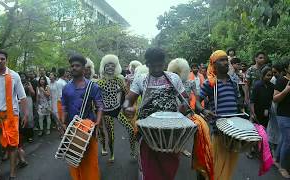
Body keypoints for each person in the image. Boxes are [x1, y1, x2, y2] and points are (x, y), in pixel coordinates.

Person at [123, 48, 188, 180]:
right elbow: (128, 100)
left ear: (164, 63)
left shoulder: (174, 78)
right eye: (153, 65)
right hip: (147, 133)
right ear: (147, 64)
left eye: (160, 65)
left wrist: (183, 106)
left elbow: (184, 99)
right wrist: (126, 108)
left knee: (168, 168)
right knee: (149, 169)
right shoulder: (140, 79)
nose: (157, 69)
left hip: (170, 132)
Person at [196, 50, 240, 180]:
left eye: (226, 60)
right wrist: (204, 111)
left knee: (229, 164)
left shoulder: (233, 82)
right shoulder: (210, 83)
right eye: (221, 60)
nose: (226, 62)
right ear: (214, 64)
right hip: (218, 131)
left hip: (233, 131)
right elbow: (197, 102)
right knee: (215, 165)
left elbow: (238, 102)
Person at [0, 50, 28, 179]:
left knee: (13, 145)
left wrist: (25, 114)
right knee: (0, 147)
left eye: (2, 59)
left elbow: (22, 97)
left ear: (6, 60)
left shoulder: (15, 76)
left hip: (12, 116)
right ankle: (0, 171)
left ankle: (12, 173)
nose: (0, 61)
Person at [61, 53, 103, 180]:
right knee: (74, 158)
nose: (74, 68)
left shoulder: (93, 86)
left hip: (88, 128)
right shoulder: (66, 87)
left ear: (84, 69)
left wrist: (98, 122)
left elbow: (100, 106)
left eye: (77, 66)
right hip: (72, 128)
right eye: (72, 66)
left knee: (90, 159)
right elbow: (64, 107)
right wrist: (63, 123)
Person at [97, 54, 137, 162]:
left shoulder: (118, 80)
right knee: (111, 136)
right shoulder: (99, 83)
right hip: (106, 113)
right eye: (108, 65)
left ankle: (133, 151)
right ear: (103, 67)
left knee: (131, 129)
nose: (110, 67)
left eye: (112, 65)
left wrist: (130, 105)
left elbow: (127, 93)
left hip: (117, 110)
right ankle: (112, 154)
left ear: (116, 67)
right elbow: (96, 100)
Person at [273, 60, 290, 178]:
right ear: (286, 68)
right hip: (283, 115)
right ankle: (283, 167)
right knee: (288, 140)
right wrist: (286, 90)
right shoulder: (282, 80)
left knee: (284, 139)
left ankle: (276, 158)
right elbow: (275, 99)